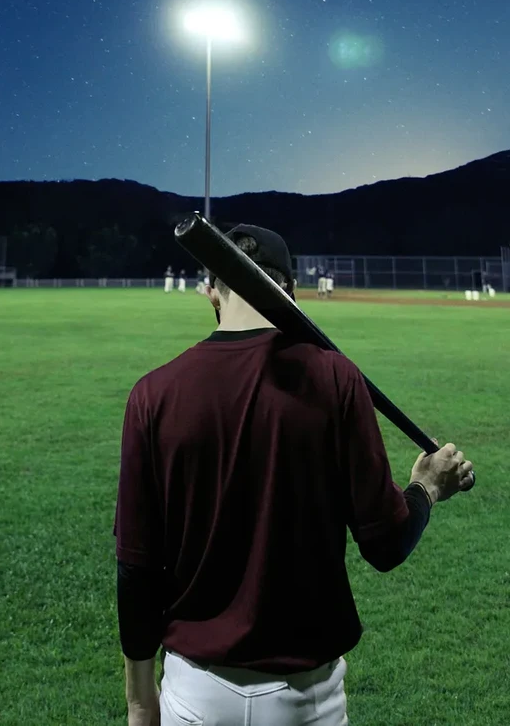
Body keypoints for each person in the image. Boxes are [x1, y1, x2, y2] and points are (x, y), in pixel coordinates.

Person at [115, 223, 475, 726]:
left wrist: (139, 703)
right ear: (291, 291)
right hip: (307, 702)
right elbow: (386, 544)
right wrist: (427, 487)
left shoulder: (153, 394)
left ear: (211, 293)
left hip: (194, 697)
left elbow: (137, 569)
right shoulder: (335, 377)